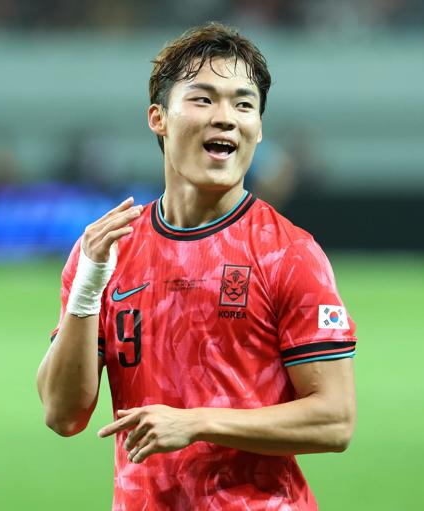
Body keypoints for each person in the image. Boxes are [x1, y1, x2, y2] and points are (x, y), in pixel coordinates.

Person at [36, 22, 358, 510]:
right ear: (158, 118)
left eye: (243, 104)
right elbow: (63, 414)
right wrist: (86, 290)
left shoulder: (289, 253)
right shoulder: (107, 251)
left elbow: (335, 420)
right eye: (204, 99)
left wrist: (197, 422)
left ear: (258, 129)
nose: (225, 117)